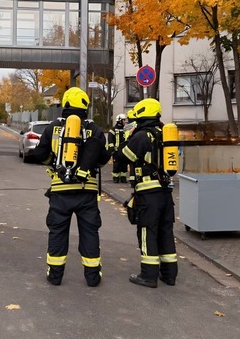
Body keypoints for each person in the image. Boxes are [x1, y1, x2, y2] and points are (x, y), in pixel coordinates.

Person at [29, 87, 112, 287]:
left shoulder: (53, 127)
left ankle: (55, 275)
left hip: (60, 191)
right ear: (85, 105)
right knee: (90, 232)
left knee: (57, 232)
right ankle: (93, 277)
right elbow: (103, 158)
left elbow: (39, 154)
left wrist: (55, 164)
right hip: (87, 191)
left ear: (65, 104)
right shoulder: (94, 129)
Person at [119, 98, 178, 288]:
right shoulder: (165, 134)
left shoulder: (142, 135)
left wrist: (126, 139)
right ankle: (169, 275)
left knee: (147, 232)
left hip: (148, 195)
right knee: (165, 232)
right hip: (166, 194)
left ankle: (148, 276)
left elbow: (122, 158)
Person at [108, 113, 128, 183]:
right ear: (119, 121)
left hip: (124, 151)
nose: (125, 122)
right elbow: (110, 140)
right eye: (123, 120)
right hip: (116, 151)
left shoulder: (125, 129)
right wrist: (112, 149)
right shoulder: (113, 130)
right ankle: (115, 177)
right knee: (116, 164)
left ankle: (123, 177)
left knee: (124, 164)